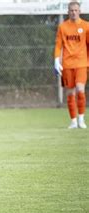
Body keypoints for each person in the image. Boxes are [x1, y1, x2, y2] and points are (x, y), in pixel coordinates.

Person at [54, 1, 87, 129]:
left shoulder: (86, 26)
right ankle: (73, 121)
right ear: (68, 12)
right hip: (67, 64)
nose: (73, 12)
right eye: (71, 10)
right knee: (70, 93)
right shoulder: (63, 27)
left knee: (80, 89)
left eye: (76, 10)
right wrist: (56, 59)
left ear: (80, 11)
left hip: (81, 63)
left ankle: (81, 119)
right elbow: (58, 45)